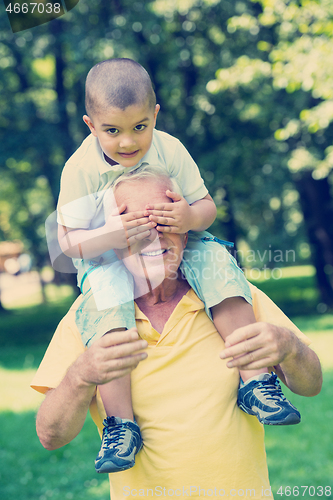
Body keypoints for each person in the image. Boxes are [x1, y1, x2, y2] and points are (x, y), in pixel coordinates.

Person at [55, 58, 300, 474]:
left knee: (219, 262)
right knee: (110, 311)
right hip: (108, 256)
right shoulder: (81, 169)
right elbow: (66, 244)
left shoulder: (170, 149)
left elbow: (207, 206)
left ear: (155, 115)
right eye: (112, 131)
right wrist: (112, 237)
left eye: (139, 127)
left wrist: (189, 219)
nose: (128, 142)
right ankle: (121, 425)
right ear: (90, 125)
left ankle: (256, 380)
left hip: (181, 241)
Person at [33, 172, 322, 500]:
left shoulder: (232, 297)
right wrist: (80, 376)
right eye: (134, 226)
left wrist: (289, 347)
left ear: (186, 233)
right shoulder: (89, 316)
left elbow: (311, 385)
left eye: (164, 222)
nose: (152, 237)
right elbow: (50, 436)